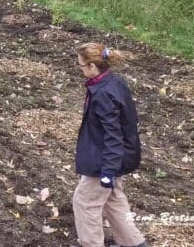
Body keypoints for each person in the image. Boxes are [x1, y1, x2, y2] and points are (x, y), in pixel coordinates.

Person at [72, 43, 147, 247]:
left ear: (92, 67)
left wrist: (108, 170)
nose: (79, 69)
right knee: (113, 200)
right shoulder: (112, 82)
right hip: (117, 155)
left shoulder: (103, 94)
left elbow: (114, 135)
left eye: (80, 66)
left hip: (106, 158)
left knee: (85, 202)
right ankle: (135, 244)